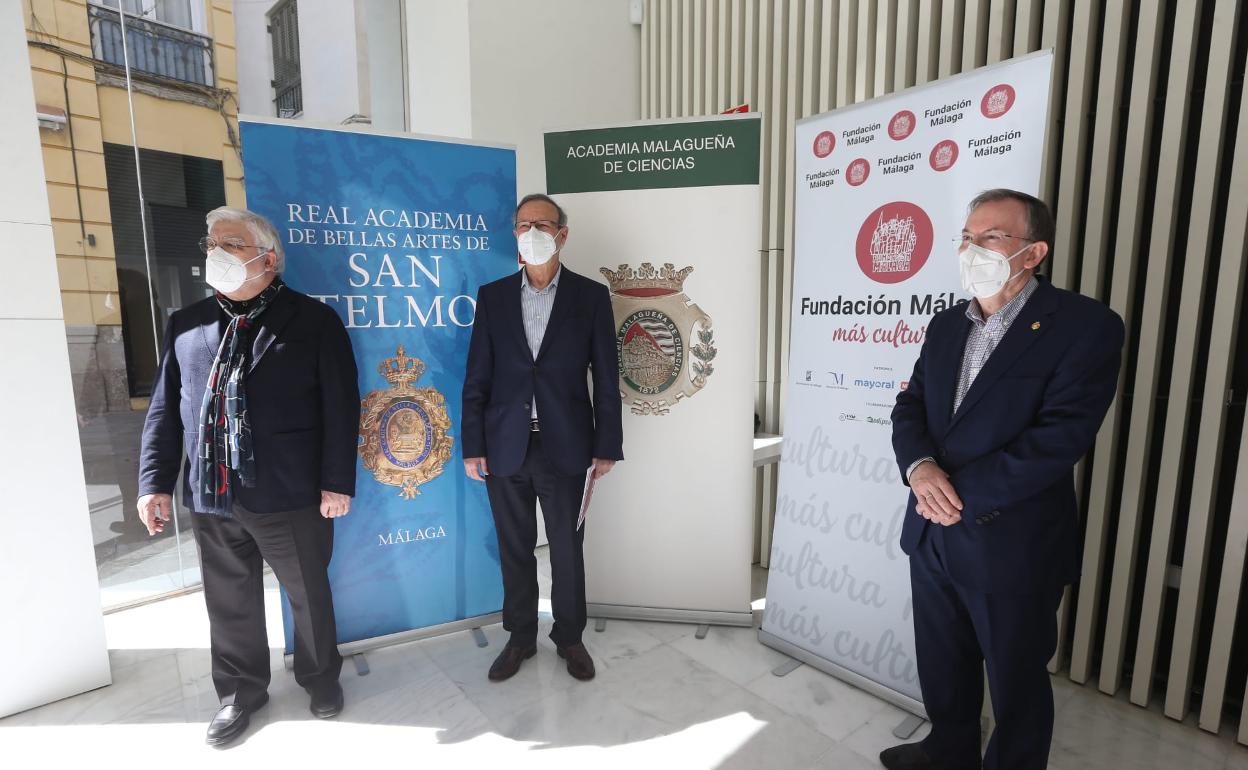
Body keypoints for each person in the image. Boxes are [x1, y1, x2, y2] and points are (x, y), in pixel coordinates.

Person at [884, 189, 1124, 770]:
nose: (972, 247)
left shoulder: (1086, 326)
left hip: (1013, 540)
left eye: (990, 237)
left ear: (1033, 251)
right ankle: (949, 749)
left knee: (1016, 681)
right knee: (943, 660)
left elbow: (1059, 439)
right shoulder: (946, 324)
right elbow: (909, 407)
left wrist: (953, 495)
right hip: (933, 533)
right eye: (967, 236)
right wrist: (919, 470)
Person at [136, 206, 360, 746]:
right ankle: (240, 693)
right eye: (211, 243)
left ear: (270, 258)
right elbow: (166, 411)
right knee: (228, 598)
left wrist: (337, 483)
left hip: (291, 492)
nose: (216, 252)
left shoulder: (313, 321)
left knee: (308, 593)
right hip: (211, 494)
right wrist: (153, 483)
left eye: (231, 243)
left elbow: (340, 408)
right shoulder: (185, 323)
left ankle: (319, 676)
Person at [461, 193, 623, 683]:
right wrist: (473, 445)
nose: (531, 231)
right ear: (514, 234)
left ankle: (570, 638)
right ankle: (520, 637)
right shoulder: (492, 297)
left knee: (567, 550)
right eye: (523, 224)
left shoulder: (590, 297)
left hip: (568, 447)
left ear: (562, 234)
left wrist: (606, 445)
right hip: (505, 445)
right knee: (514, 547)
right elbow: (477, 379)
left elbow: (606, 378)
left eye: (542, 224)